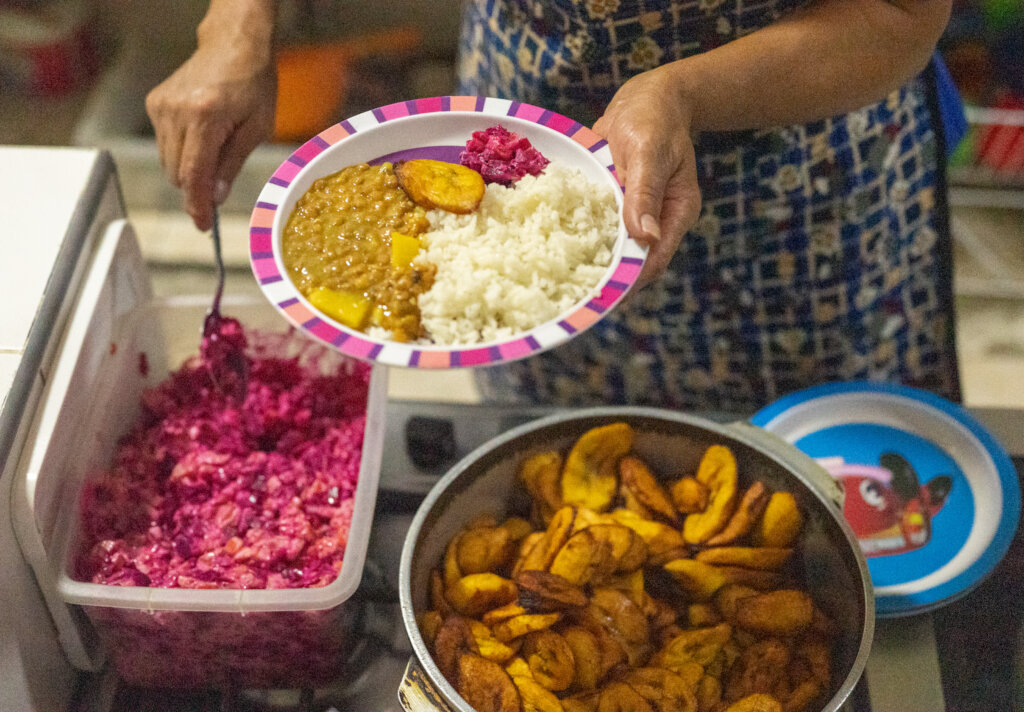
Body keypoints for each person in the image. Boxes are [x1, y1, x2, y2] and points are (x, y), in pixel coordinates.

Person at [146, 0, 960, 413]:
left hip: (792, 177)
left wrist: (679, 90)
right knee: (547, 461)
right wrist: (237, 25)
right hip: (528, 106)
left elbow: (894, 14)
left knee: (803, 472)